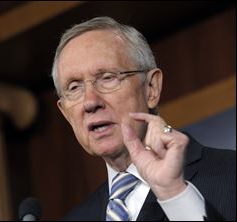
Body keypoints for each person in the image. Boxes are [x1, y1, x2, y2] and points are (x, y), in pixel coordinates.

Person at [50, 16, 236, 221]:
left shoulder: (230, 174)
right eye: (74, 87)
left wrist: (173, 193)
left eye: (107, 78)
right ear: (66, 114)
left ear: (151, 88)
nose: (90, 102)